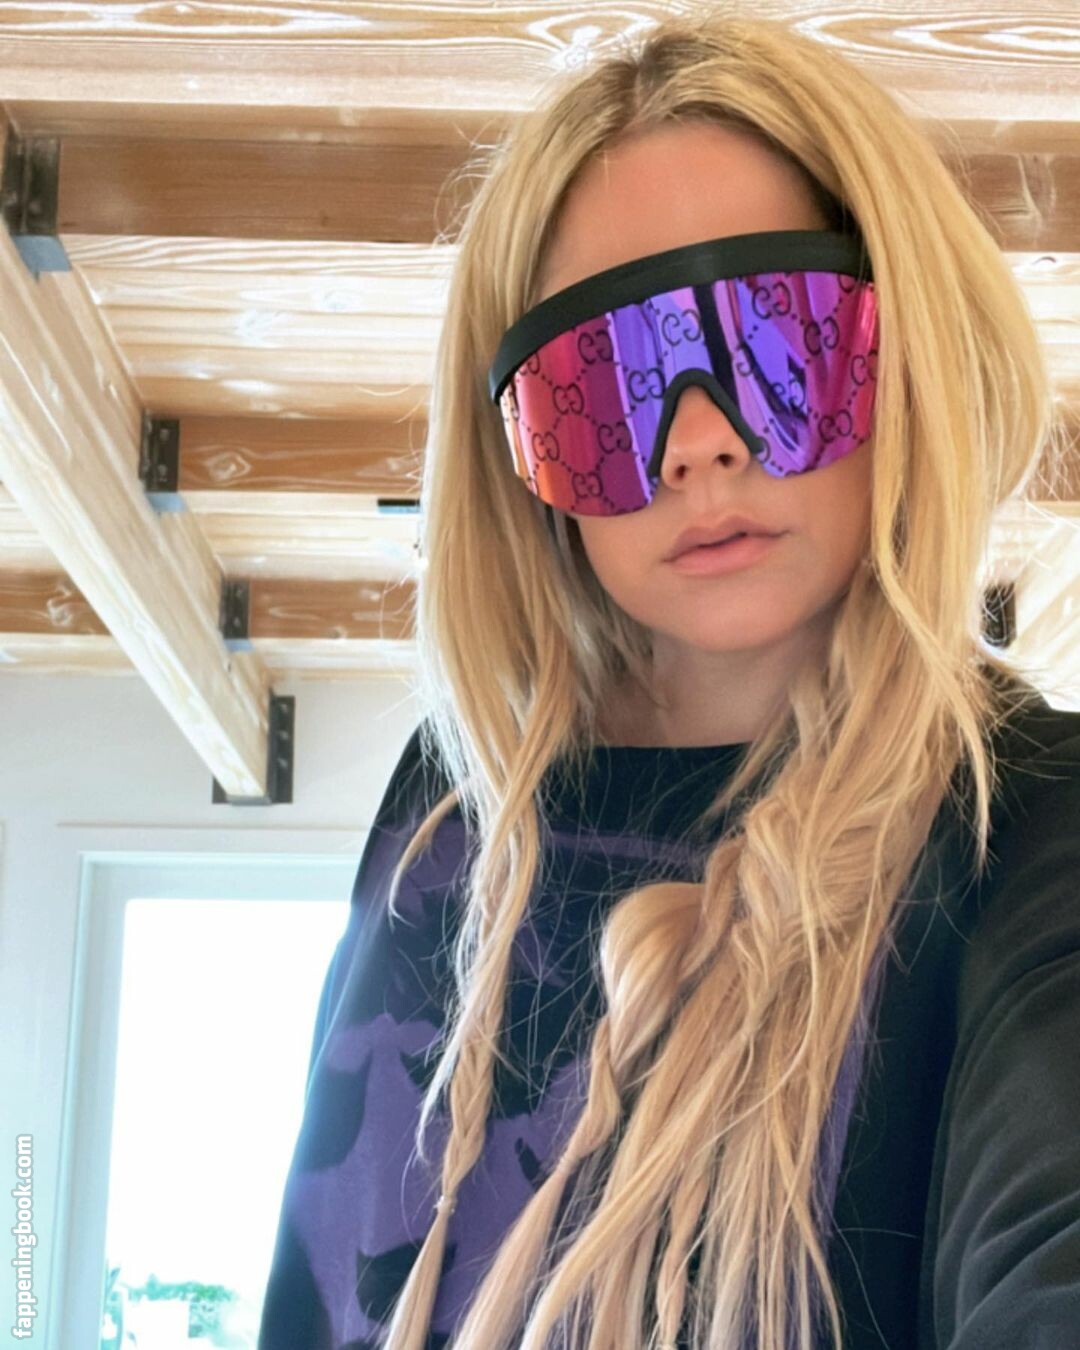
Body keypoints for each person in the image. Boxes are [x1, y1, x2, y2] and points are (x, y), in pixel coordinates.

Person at [258, 11, 1080, 1350]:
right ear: (524, 451)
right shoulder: (449, 810)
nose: (699, 441)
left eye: (777, 335)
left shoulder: (1031, 822)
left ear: (912, 347)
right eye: (605, 379)